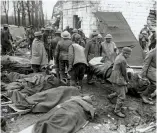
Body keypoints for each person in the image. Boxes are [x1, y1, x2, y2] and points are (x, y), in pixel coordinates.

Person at [108, 47, 132, 118]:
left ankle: (110, 96)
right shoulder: (122, 60)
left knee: (124, 90)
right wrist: (127, 80)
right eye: (129, 54)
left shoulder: (119, 56)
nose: (129, 56)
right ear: (125, 53)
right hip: (118, 78)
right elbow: (124, 73)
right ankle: (117, 111)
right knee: (122, 96)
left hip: (115, 76)